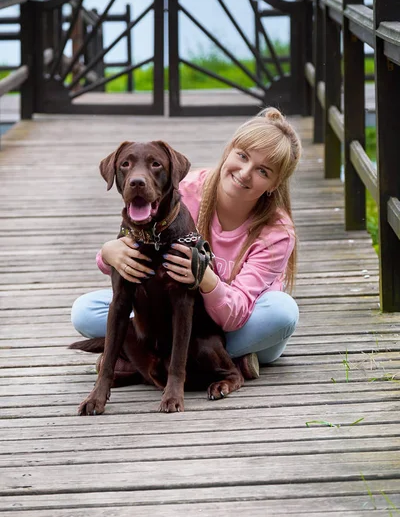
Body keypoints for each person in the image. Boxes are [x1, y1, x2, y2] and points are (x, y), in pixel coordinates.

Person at [71, 107, 301, 380]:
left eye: (263, 171)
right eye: (242, 156)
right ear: (228, 151)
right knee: (85, 312)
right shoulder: (186, 189)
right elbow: (134, 253)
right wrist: (108, 252)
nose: (245, 172)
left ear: (275, 183)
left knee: (282, 313)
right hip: (176, 316)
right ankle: (198, 363)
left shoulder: (277, 232)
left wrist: (205, 279)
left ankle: (167, 362)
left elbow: (235, 315)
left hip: (241, 324)